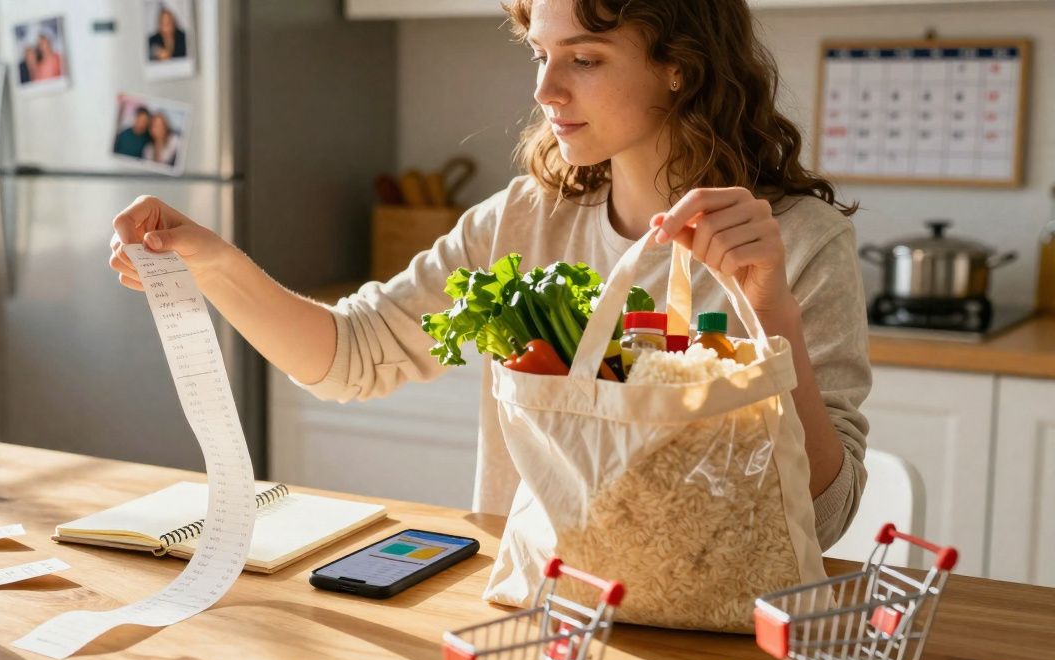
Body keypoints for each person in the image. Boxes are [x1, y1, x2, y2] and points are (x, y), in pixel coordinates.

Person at [107, 0, 872, 550]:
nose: (545, 90)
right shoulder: (521, 222)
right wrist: (212, 261)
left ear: (680, 67)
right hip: (539, 616)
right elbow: (349, 357)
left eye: (585, 58)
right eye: (541, 54)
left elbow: (825, 511)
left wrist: (770, 310)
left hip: (718, 624)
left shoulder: (799, 244)